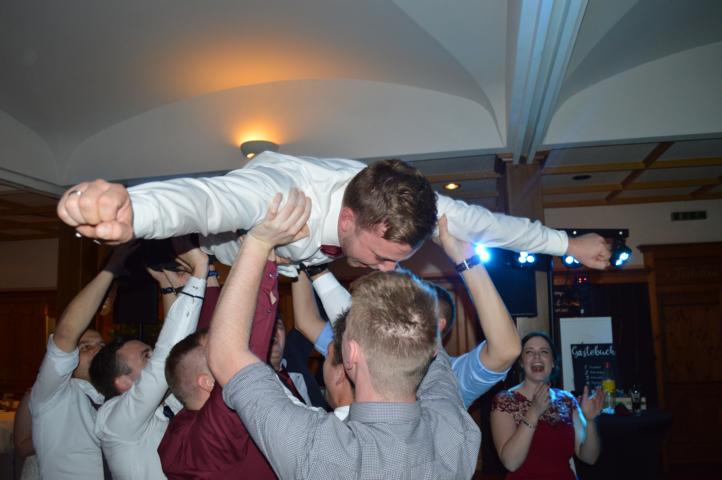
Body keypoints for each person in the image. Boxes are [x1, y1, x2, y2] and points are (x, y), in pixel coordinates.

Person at [207, 190, 481, 479]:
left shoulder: (324, 454)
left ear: (350, 354)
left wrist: (259, 242)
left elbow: (226, 356)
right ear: (431, 350)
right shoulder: (453, 432)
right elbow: (227, 356)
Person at [56, 153, 610, 271]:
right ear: (348, 220)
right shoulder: (286, 191)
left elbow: (493, 225)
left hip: (289, 267)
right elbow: (211, 200)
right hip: (214, 247)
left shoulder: (418, 205)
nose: (388, 268)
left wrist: (569, 244)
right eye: (383, 255)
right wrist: (139, 210)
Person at [293, 215, 521, 411]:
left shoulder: (453, 377)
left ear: (436, 324)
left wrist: (465, 258)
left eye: (413, 304)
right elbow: (307, 321)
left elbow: (506, 350)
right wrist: (301, 256)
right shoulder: (366, 348)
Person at [90, 241, 208, 479]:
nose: (154, 357)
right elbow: (164, 361)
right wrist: (199, 273)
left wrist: (167, 285)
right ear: (123, 382)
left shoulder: (164, 403)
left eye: (151, 352)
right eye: (146, 356)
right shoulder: (113, 421)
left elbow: (174, 352)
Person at [157, 255, 277, 479]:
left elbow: (210, 336)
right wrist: (262, 256)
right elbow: (243, 364)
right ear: (207, 382)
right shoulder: (203, 442)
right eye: (220, 354)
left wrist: (207, 272)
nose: (228, 352)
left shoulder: (191, 420)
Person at [28, 245, 131, 480]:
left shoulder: (120, 395)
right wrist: (111, 268)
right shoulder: (53, 395)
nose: (98, 349)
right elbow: (66, 335)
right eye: (85, 347)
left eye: (101, 345)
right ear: (71, 360)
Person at [490, 332, 603, 479]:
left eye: (544, 352)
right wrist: (533, 413)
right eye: (529, 352)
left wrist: (590, 421)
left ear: (553, 362)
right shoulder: (505, 400)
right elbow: (511, 462)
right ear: (521, 362)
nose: (537, 357)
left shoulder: (567, 400)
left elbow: (590, 458)